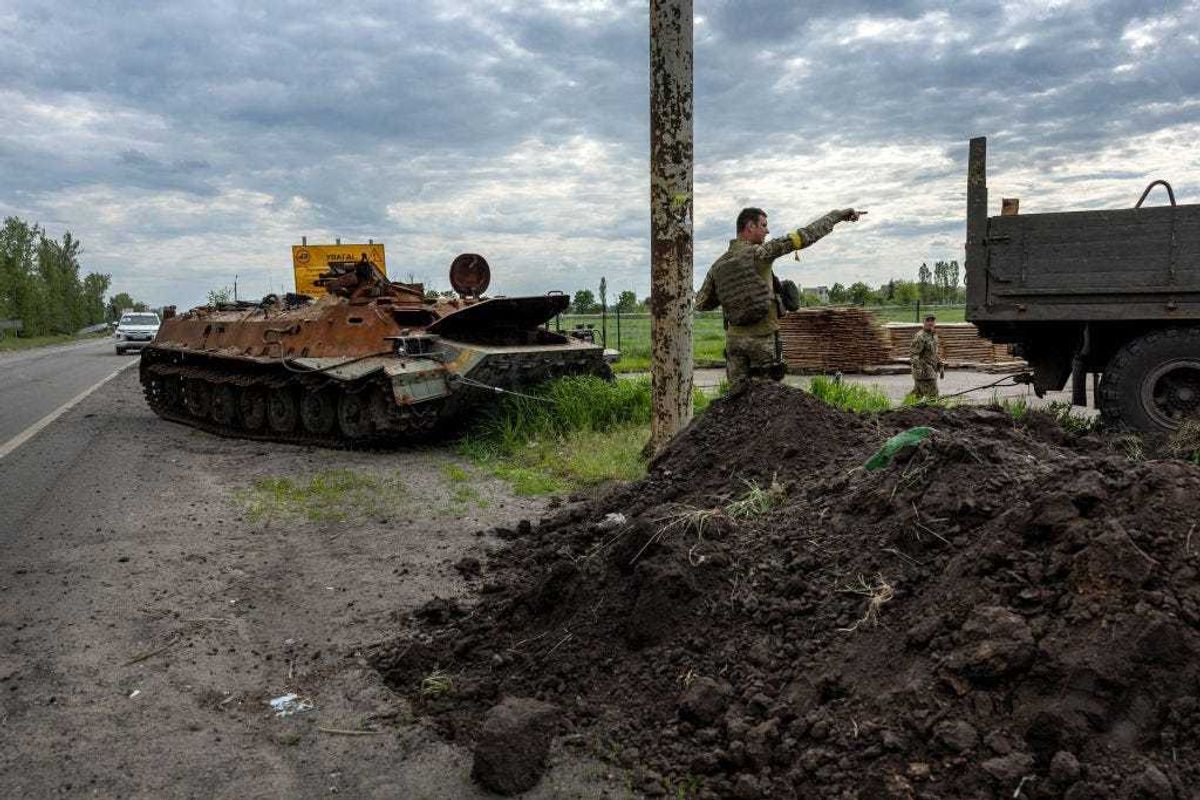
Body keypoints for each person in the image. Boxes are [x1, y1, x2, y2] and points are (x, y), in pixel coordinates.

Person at [696, 206, 864, 385]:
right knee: (768, 399)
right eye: (764, 225)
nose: (767, 231)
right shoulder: (761, 253)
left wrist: (733, 292)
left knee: (736, 400)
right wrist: (837, 216)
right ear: (750, 227)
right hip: (764, 340)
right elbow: (804, 235)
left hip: (734, 344)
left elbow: (702, 304)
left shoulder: (717, 266)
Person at [910, 314, 944, 398]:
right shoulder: (920, 337)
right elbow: (914, 355)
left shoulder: (934, 336)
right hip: (924, 371)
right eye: (927, 320)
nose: (930, 323)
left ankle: (906, 408)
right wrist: (919, 369)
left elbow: (934, 353)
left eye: (932, 321)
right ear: (923, 322)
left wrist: (940, 365)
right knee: (933, 395)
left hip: (932, 369)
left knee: (917, 395)